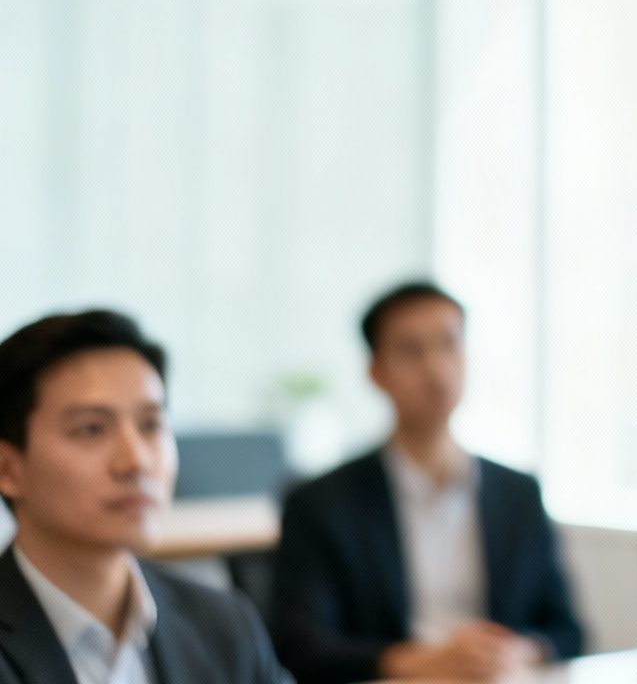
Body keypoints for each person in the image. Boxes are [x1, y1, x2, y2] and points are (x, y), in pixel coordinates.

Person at [271, 282, 582, 683]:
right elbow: (300, 646)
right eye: (411, 351)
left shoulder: (518, 493)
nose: (436, 368)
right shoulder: (321, 503)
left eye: (449, 344)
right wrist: (419, 661)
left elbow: (567, 630)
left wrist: (518, 650)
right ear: (376, 373)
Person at [0, 309, 291, 683]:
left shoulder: (223, 623)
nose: (135, 461)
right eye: (91, 429)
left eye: (151, 424)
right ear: (8, 470)